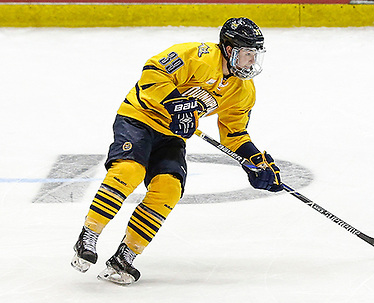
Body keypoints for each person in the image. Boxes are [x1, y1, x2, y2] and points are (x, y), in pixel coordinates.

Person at [70, 17, 283, 285]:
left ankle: (124, 258)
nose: (252, 62)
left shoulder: (243, 91)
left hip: (171, 135)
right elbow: (153, 71)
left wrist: (254, 161)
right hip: (139, 118)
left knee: (169, 187)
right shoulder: (198, 56)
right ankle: (89, 235)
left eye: (255, 55)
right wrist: (176, 105)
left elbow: (234, 133)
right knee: (129, 170)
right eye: (247, 55)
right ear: (229, 50)